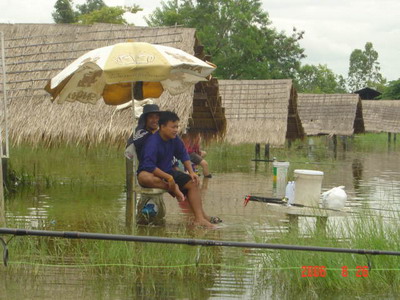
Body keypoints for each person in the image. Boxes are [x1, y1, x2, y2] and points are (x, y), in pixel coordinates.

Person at [137, 111, 220, 228]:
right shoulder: (152, 142)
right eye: (173, 127)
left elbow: (183, 154)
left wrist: (191, 172)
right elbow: (149, 166)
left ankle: (200, 218)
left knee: (193, 182)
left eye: (177, 126)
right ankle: (174, 188)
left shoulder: (175, 139)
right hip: (152, 174)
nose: (176, 130)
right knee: (143, 176)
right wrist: (169, 179)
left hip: (168, 173)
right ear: (162, 127)